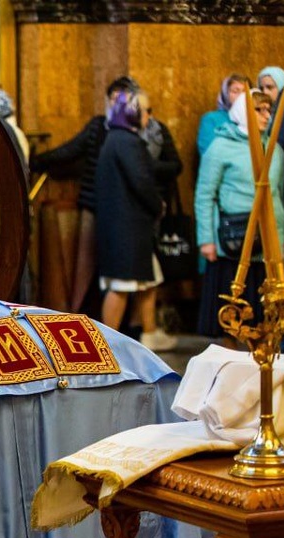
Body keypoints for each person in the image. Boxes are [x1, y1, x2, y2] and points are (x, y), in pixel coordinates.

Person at [29, 76, 139, 315]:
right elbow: (71, 151)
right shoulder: (100, 126)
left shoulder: (139, 130)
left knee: (119, 273)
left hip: (125, 211)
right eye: (115, 99)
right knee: (89, 267)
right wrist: (36, 162)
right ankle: (86, 315)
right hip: (95, 205)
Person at [196, 89, 284, 339]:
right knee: (229, 317)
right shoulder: (221, 148)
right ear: (242, 111)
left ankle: (259, 370)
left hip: (268, 244)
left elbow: (278, 197)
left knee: (264, 317)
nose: (266, 115)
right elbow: (205, 194)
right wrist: (206, 239)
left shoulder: (274, 150)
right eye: (258, 109)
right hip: (234, 241)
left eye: (268, 110)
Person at [94, 92, 176, 351]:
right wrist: (157, 205)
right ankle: (107, 343)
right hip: (127, 229)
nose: (149, 116)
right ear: (131, 112)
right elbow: (142, 181)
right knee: (121, 286)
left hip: (125, 227)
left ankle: (150, 333)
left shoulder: (115, 138)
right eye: (145, 110)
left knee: (149, 280)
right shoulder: (128, 142)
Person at [198, 74, 250, 157]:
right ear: (225, 94)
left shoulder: (254, 120)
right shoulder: (211, 119)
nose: (241, 96)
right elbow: (208, 152)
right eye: (235, 91)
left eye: (245, 92)